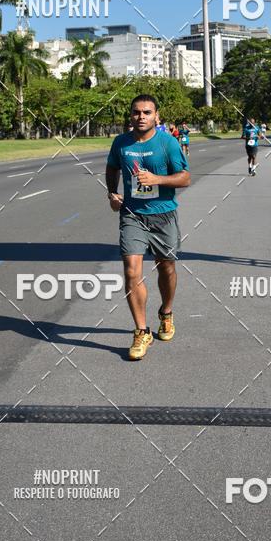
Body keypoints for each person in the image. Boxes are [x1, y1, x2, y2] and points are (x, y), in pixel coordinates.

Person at [106, 94, 190, 360]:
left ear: (156, 116)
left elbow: (185, 178)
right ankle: (142, 331)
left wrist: (157, 179)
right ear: (130, 115)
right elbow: (112, 168)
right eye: (136, 112)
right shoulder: (121, 142)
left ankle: (166, 312)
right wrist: (112, 192)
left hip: (164, 215)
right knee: (132, 271)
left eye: (146, 112)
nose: (140, 116)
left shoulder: (168, 143)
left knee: (166, 267)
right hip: (132, 215)